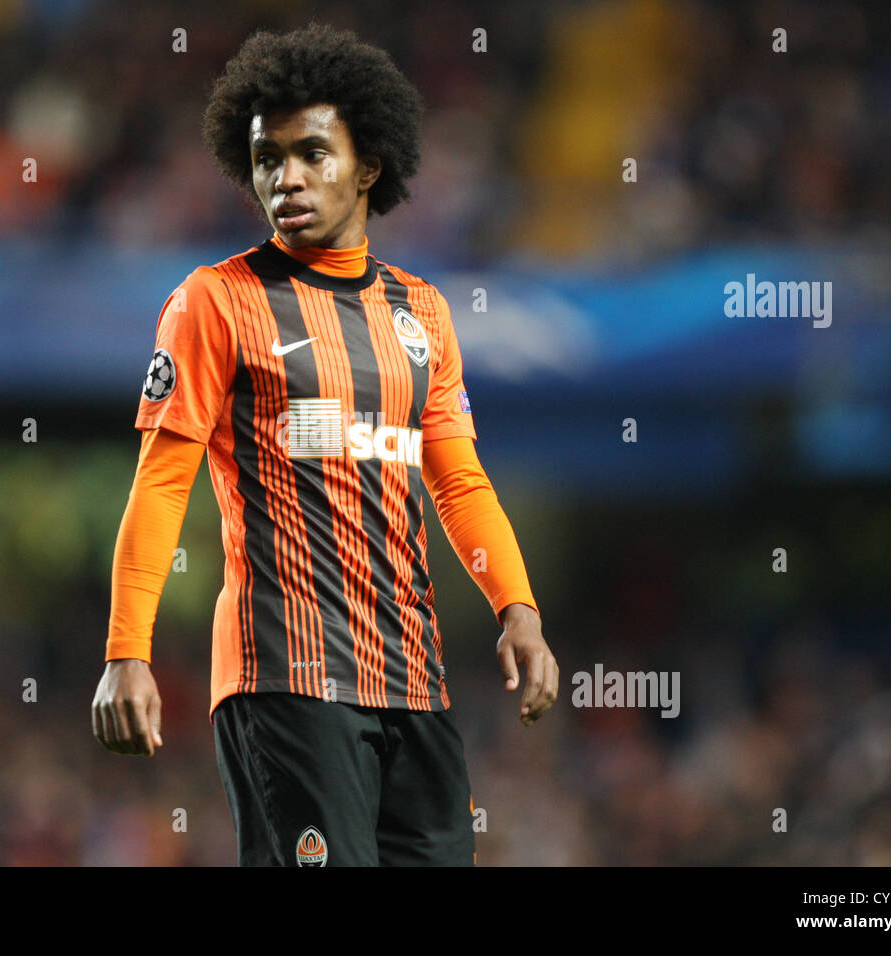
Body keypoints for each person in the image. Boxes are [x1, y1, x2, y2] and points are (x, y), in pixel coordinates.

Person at [92, 21, 559, 866]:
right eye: (268, 158)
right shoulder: (214, 302)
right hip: (285, 679)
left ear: (369, 165)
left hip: (413, 680)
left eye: (313, 153)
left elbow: (457, 481)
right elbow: (162, 484)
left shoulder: (422, 313)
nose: (287, 178)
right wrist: (128, 652)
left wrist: (516, 608)